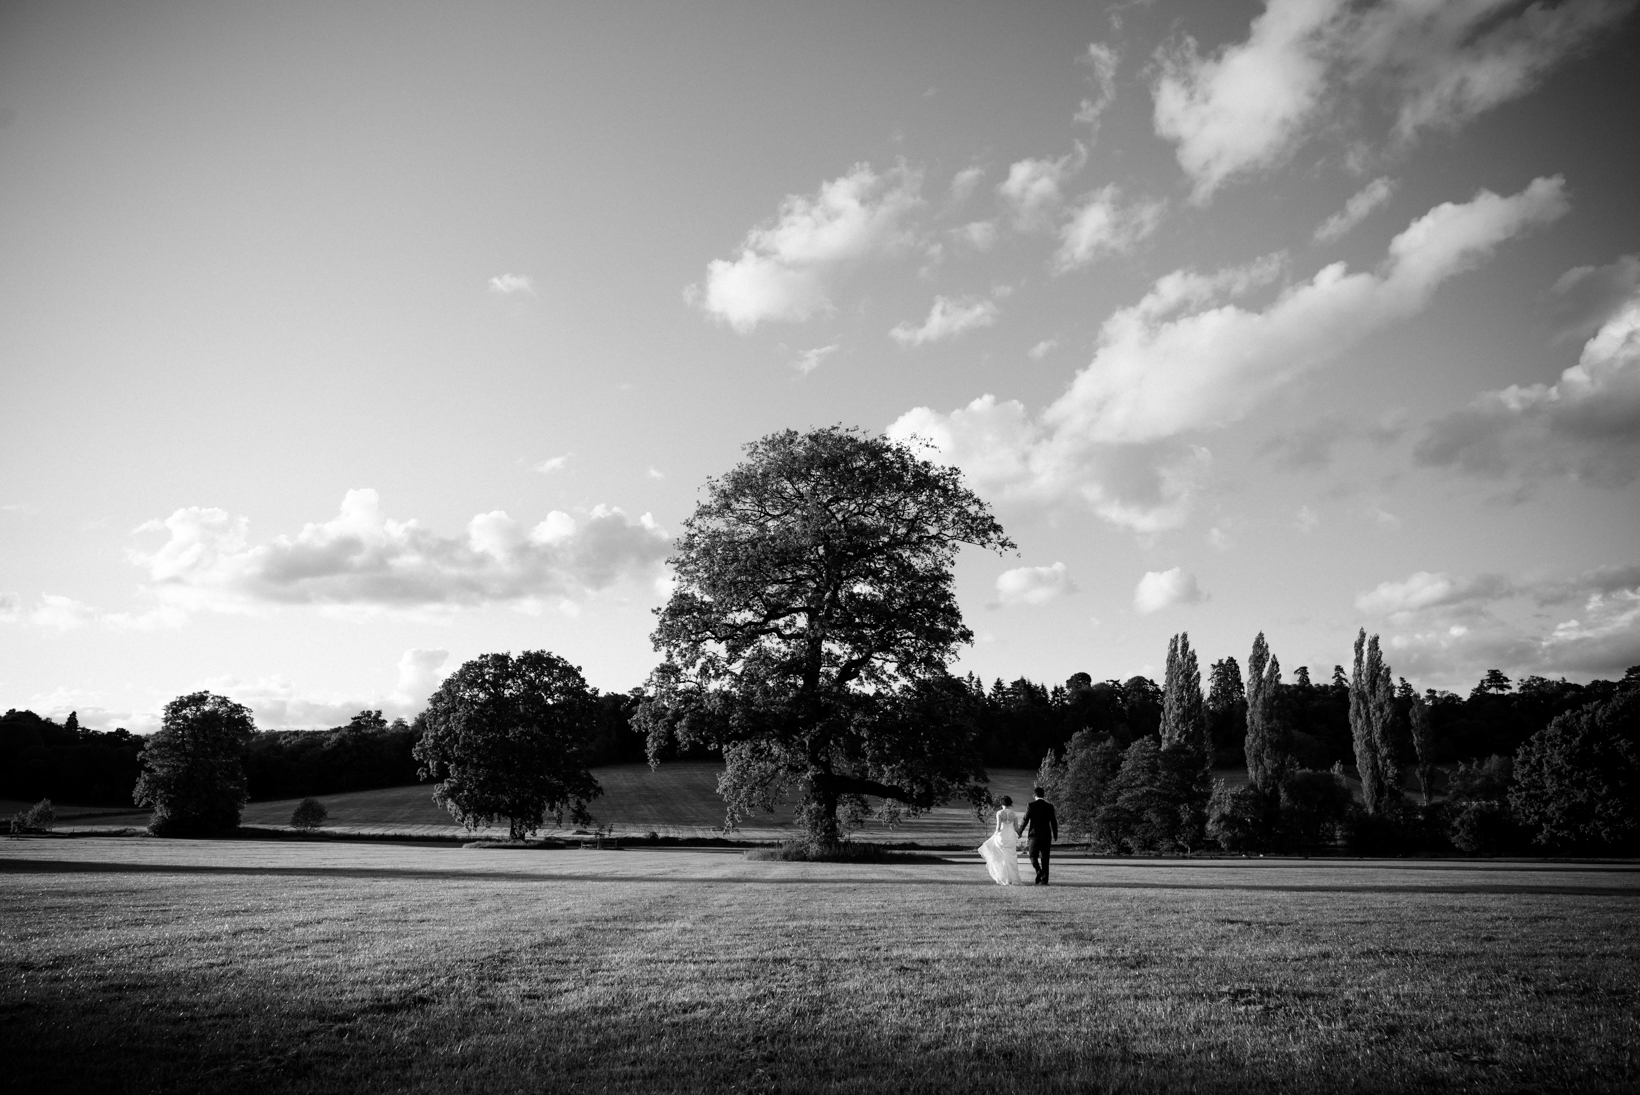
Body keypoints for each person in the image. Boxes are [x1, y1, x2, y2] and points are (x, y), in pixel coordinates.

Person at [1016, 786, 1058, 885]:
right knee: (1045, 858)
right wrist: (1055, 834)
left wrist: (1020, 831)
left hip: (1034, 836)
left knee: (1032, 855)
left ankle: (1039, 871)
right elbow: (1053, 822)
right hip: (1046, 836)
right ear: (1043, 795)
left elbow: (1025, 820)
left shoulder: (1031, 805)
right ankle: (1044, 880)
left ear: (1034, 795)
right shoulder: (1049, 806)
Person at [978, 795, 1022, 885]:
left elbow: (998, 827)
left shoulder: (999, 813)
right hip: (1010, 837)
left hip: (1001, 836)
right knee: (1011, 858)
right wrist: (1019, 834)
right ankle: (1013, 879)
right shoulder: (1014, 814)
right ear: (1010, 803)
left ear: (1002, 803)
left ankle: (1004, 877)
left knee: (1000, 857)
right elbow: (1016, 828)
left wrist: (994, 835)